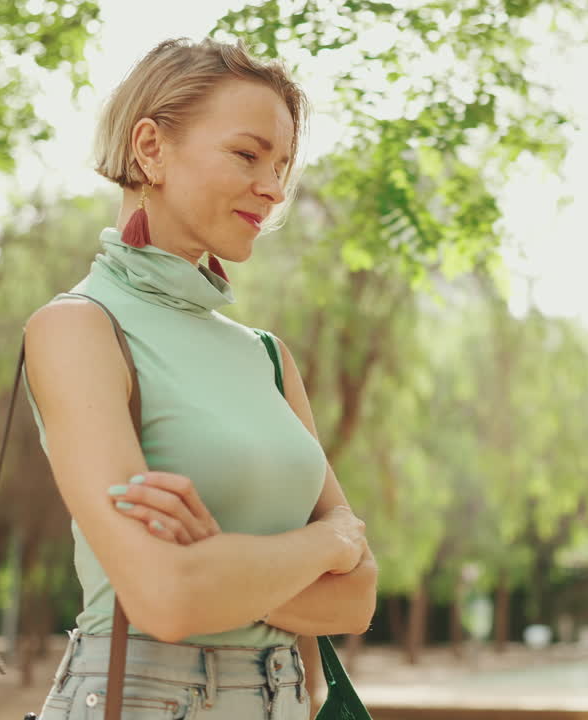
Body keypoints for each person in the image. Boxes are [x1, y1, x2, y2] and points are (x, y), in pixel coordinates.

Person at [22, 37, 378, 719]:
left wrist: (214, 563)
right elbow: (167, 600)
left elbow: (357, 600)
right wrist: (324, 544)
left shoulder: (267, 356)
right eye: (247, 155)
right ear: (151, 148)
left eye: (281, 165)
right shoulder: (78, 329)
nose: (274, 189)